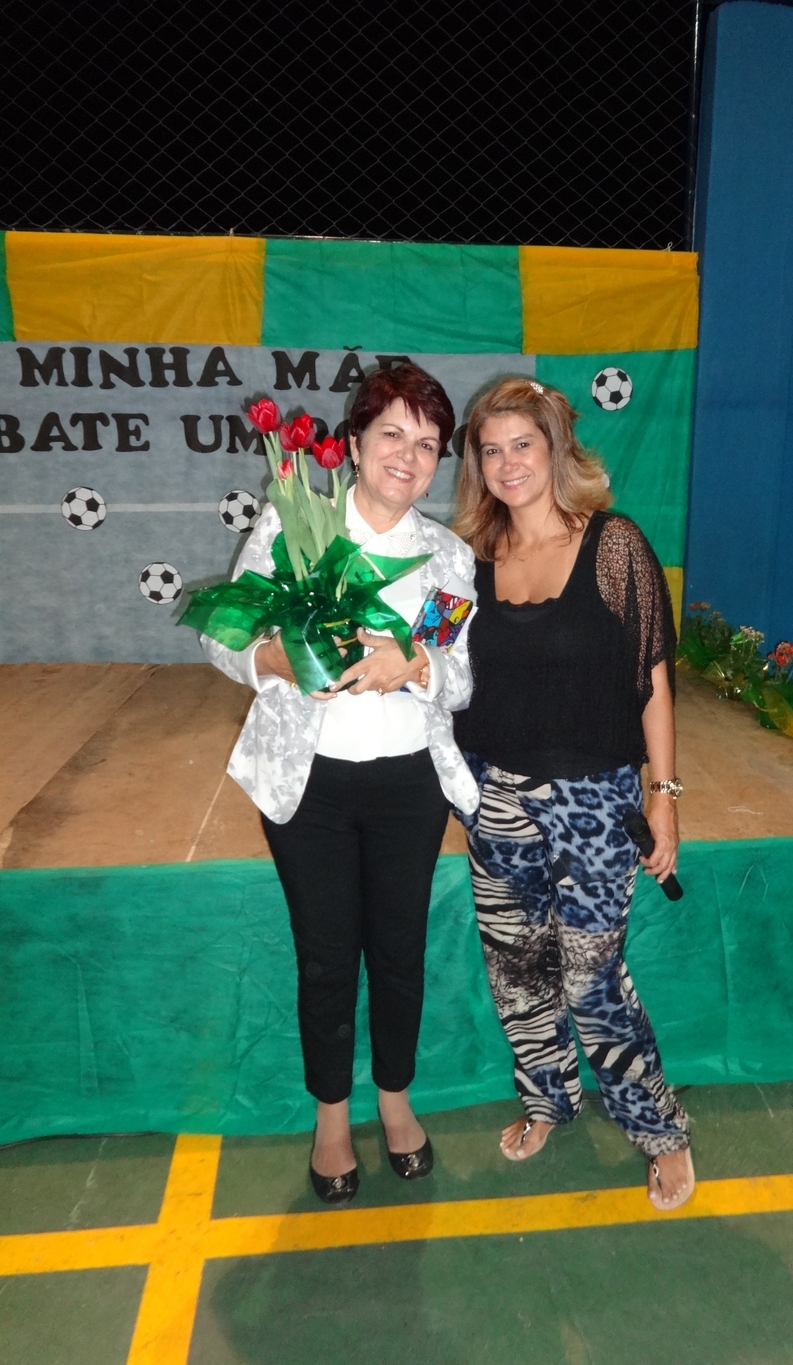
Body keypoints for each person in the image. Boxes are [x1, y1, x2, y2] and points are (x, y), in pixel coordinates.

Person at [202, 364, 478, 1205]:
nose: (409, 456)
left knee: (398, 950)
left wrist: (417, 663)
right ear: (353, 443)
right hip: (309, 787)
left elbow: (460, 677)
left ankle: (394, 1099)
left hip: (409, 787)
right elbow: (223, 637)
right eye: (392, 433)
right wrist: (274, 660)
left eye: (427, 444)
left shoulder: (447, 558)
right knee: (326, 957)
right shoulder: (294, 529)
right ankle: (331, 1116)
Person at [452, 376, 694, 1212]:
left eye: (523, 443)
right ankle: (548, 1100)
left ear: (557, 448)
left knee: (593, 978)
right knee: (518, 970)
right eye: (491, 449)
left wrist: (663, 794)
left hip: (594, 800)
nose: (507, 462)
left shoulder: (615, 544)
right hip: (493, 795)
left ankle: (658, 1128)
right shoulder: (469, 558)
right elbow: (429, 657)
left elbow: (653, 679)